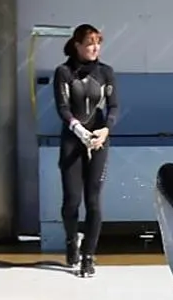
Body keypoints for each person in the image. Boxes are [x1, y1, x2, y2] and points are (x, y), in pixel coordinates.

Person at [52, 23, 118, 278]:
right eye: (90, 43)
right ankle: (72, 240)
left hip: (98, 139)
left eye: (98, 43)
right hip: (73, 139)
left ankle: (88, 256)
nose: (95, 48)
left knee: (93, 200)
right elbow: (62, 107)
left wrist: (106, 130)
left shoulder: (106, 72)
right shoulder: (64, 72)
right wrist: (77, 128)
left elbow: (114, 107)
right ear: (77, 45)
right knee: (72, 200)